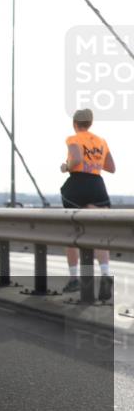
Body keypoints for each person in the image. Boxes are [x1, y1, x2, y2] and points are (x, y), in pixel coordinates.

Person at [59, 108, 116, 300]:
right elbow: (111, 167)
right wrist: (96, 161)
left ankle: (75, 278)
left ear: (75, 124)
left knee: (72, 232)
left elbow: (76, 160)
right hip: (97, 186)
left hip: (78, 185)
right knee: (98, 233)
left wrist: (65, 166)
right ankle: (106, 274)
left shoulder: (73, 138)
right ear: (90, 123)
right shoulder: (101, 141)